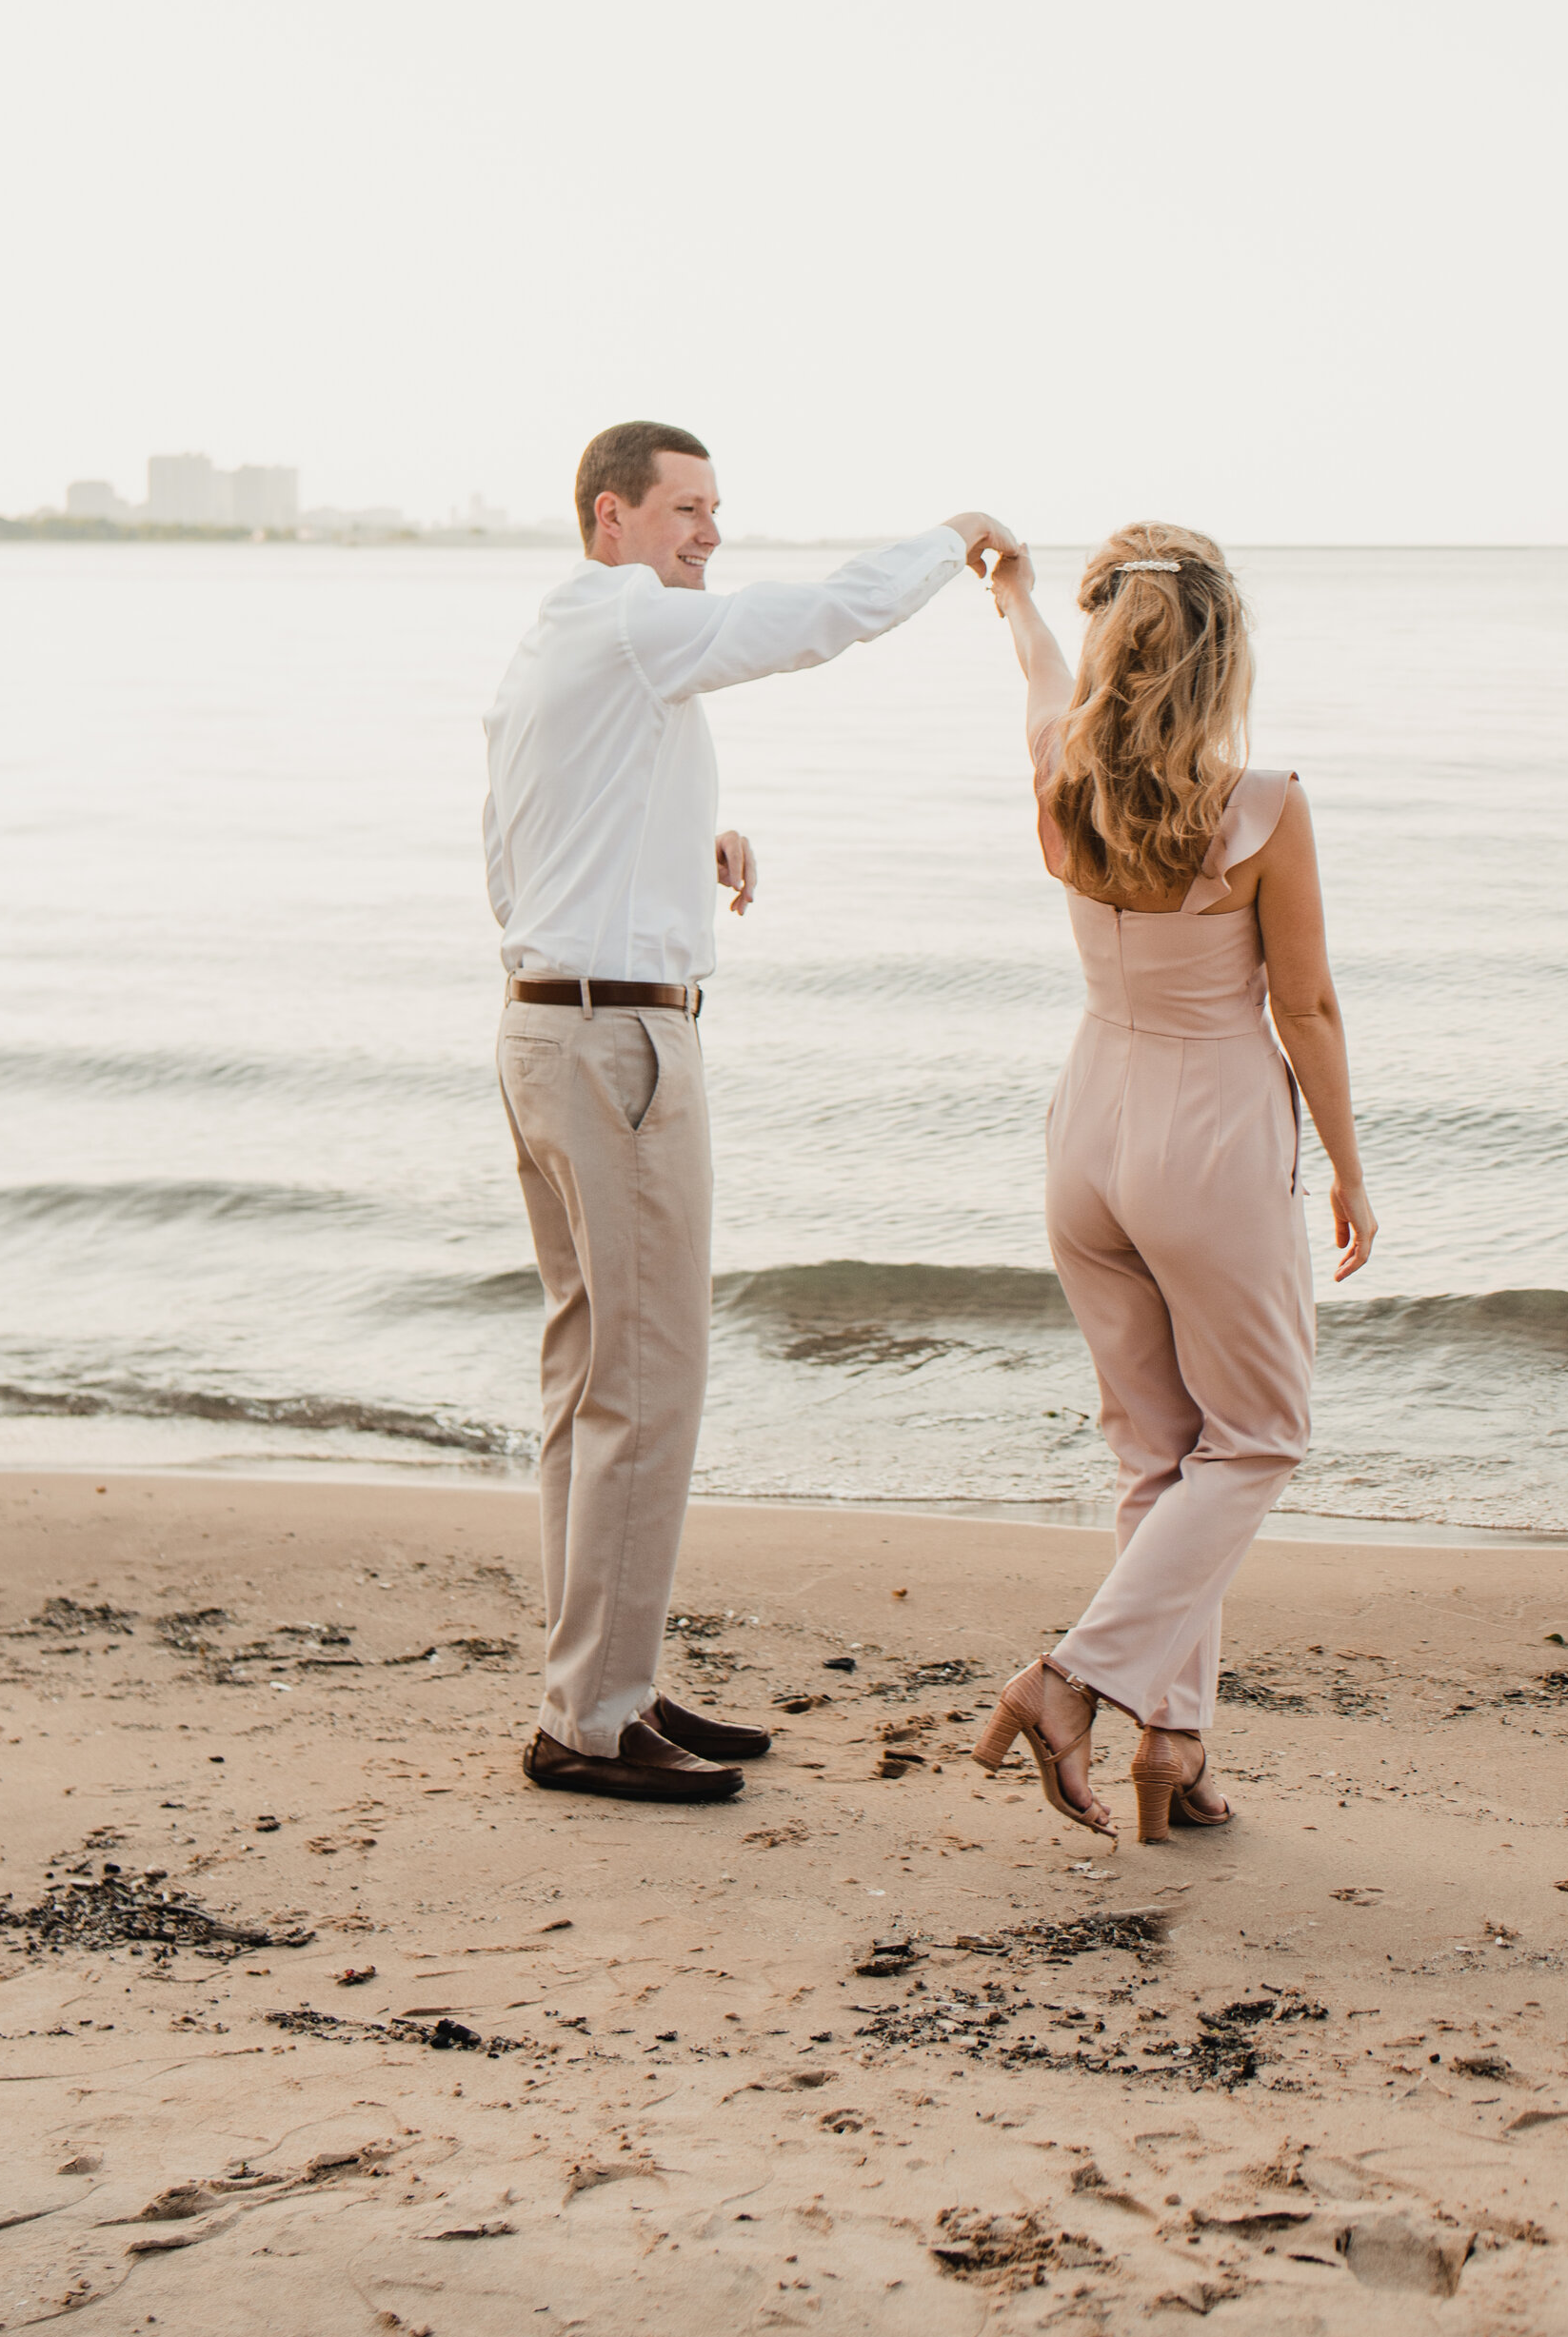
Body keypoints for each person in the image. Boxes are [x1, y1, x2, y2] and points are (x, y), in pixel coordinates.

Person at [485, 418, 1017, 1808]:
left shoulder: (556, 640)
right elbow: (818, 619)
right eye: (684, 509)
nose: (708, 532)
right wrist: (954, 537)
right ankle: (594, 1720)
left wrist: (684, 844)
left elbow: (523, 838)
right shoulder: (631, 613)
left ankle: (601, 1683)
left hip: (545, 1027)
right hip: (621, 1048)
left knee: (589, 1379)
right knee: (648, 1386)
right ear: (611, 517)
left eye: (717, 508)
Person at [971, 523, 1379, 1842]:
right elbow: (1305, 1007)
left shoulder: (1057, 772)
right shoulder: (1259, 804)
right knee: (1259, 1436)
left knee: (1158, 1454)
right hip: (1208, 1135)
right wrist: (1351, 1174)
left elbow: (1034, 671)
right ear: (1219, 661)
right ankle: (1076, 1678)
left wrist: (1021, 600)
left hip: (1088, 1127)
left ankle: (1180, 1739)